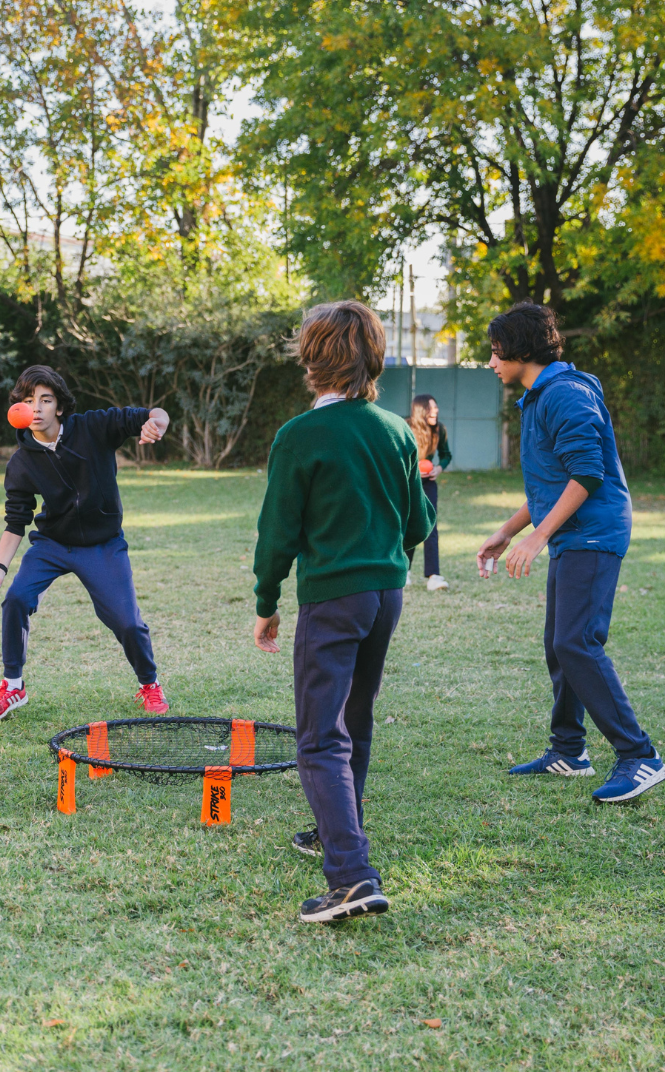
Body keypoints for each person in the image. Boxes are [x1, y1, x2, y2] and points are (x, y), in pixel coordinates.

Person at [252, 301, 435, 923]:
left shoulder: (298, 436)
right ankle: (333, 833)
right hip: (387, 594)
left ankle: (352, 875)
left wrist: (266, 601)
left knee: (319, 735)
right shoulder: (395, 432)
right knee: (354, 719)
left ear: (313, 359)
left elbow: (277, 532)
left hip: (333, 597)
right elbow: (419, 523)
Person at [477, 300, 663, 803]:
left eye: (495, 352)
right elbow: (552, 482)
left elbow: (587, 473)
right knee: (559, 643)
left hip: (593, 532)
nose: (491, 363)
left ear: (518, 350)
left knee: (576, 642)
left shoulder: (565, 395)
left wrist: (538, 537)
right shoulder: (542, 396)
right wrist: (511, 530)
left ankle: (640, 755)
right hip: (573, 532)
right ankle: (569, 750)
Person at [0, 365, 171, 723]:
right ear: (20, 409)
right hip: (53, 543)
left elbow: (153, 413)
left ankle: (149, 683)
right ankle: (13, 686)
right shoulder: (21, 462)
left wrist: (158, 424)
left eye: (46, 399)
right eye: (29, 400)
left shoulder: (94, 427)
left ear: (59, 407)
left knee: (126, 622)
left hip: (103, 544)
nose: (37, 407)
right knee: (16, 599)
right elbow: (16, 520)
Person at [405, 393, 452, 590]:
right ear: (421, 411)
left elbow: (446, 455)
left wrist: (438, 468)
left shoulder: (439, 430)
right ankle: (403, 572)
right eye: (432, 408)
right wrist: (412, 470)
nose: (436, 411)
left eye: (436, 408)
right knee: (408, 525)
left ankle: (434, 576)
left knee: (430, 527)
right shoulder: (405, 427)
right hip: (407, 482)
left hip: (428, 484)